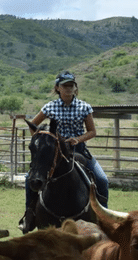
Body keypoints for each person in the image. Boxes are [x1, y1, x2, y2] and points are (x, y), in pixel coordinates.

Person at [18, 71, 109, 233]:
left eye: (71, 85)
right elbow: (33, 125)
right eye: (64, 85)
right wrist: (44, 144)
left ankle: (105, 219)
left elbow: (92, 131)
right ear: (57, 88)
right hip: (55, 155)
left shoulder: (84, 107)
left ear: (75, 88)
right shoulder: (49, 107)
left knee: (102, 179)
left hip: (78, 151)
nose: (68, 88)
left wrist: (78, 139)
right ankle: (30, 215)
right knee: (29, 179)